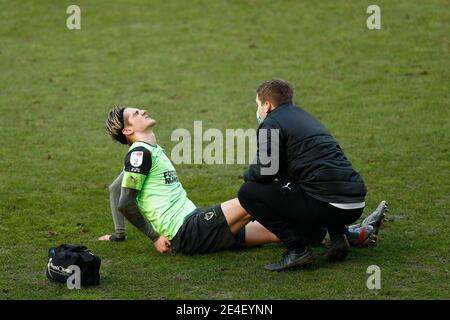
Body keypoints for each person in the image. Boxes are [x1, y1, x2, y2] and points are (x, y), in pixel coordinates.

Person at [99, 105, 387, 260]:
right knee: (255, 197)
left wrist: (119, 234)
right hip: (186, 231)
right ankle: (332, 230)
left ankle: (355, 235)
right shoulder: (139, 153)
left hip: (196, 224)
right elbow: (125, 200)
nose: (142, 111)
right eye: (135, 114)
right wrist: (154, 237)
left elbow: (115, 190)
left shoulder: (148, 152)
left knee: (275, 230)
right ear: (128, 129)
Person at [237, 79, 377, 271]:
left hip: (329, 204)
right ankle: (338, 237)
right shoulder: (305, 118)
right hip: (354, 202)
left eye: (258, 105)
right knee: (302, 181)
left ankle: (298, 250)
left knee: (248, 192)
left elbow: (265, 171)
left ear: (267, 105)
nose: (258, 110)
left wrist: (248, 174)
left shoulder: (271, 122)